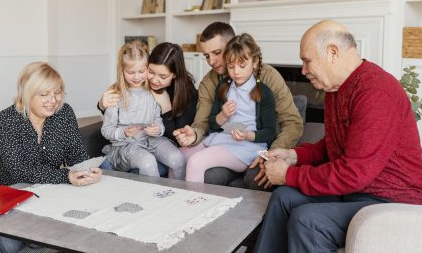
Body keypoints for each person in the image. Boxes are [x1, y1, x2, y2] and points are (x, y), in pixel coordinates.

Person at [253, 20, 422, 253]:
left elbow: (354, 172)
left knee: (309, 221)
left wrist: (288, 175)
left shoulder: (375, 92)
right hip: (358, 192)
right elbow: (334, 145)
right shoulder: (336, 88)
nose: (303, 70)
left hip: (390, 198)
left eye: (307, 61)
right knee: (284, 198)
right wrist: (294, 155)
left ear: (332, 53)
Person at [0, 62, 102, 253]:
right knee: (10, 247)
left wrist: (88, 170)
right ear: (27, 94)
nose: (53, 100)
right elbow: (19, 171)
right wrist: (65, 176)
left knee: (39, 240)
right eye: (44, 94)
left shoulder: (64, 113)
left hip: (38, 184)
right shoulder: (7, 119)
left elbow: (77, 155)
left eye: (57, 93)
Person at [173, 22, 303, 185]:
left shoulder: (268, 77)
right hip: (224, 140)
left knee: (250, 177)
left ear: (232, 47)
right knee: (177, 157)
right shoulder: (211, 81)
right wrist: (194, 134)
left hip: (256, 144)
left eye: (217, 53)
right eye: (207, 56)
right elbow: (204, 123)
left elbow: (292, 123)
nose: (211, 62)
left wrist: (270, 155)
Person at [183, 33, 276, 182]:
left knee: (196, 162)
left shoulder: (263, 92)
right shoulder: (224, 87)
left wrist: (247, 135)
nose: (236, 72)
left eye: (242, 65)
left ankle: (193, 204)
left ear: (255, 62)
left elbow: (270, 132)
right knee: (179, 156)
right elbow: (213, 124)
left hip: (246, 146)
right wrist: (223, 115)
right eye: (231, 67)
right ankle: (171, 200)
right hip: (222, 139)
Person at [98, 42, 197, 175]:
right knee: (148, 162)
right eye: (151, 72)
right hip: (126, 145)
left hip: (153, 140)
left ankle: (180, 193)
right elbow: (108, 128)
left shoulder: (155, 91)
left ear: (174, 75)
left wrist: (158, 128)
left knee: (177, 158)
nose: (137, 77)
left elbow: (160, 122)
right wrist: (102, 105)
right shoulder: (117, 93)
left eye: (142, 71)